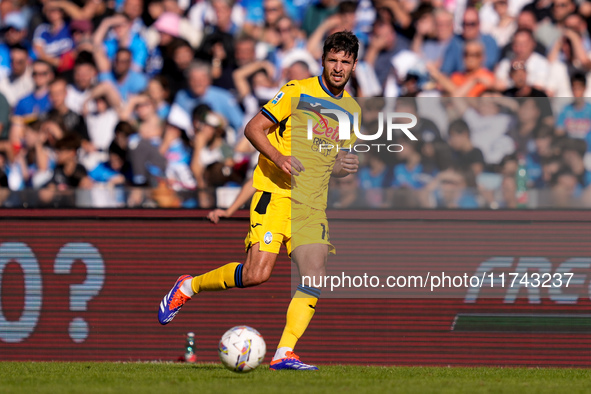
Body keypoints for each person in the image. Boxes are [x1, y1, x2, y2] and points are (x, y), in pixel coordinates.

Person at [157, 31, 361, 371]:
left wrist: (344, 166)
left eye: (345, 62)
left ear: (354, 65)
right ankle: (189, 285)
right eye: (332, 60)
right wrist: (280, 157)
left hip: (311, 204)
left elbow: (334, 162)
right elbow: (253, 128)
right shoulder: (298, 92)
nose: (338, 67)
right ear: (323, 60)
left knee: (315, 275)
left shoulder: (352, 110)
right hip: (275, 194)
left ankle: (285, 353)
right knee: (256, 275)